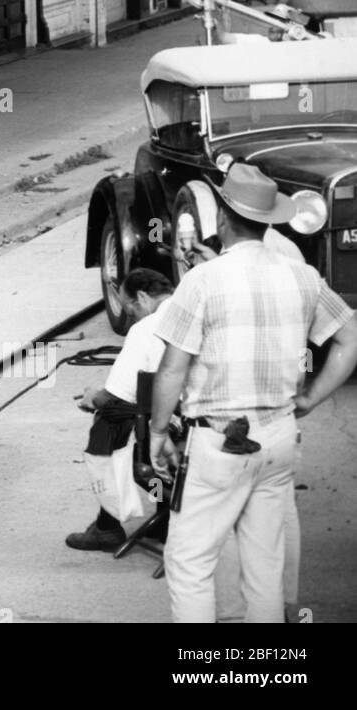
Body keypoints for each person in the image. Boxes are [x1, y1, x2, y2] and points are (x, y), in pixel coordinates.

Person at [150, 164, 357, 623]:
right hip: (280, 437)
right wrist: (310, 399)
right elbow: (351, 339)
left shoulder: (201, 280)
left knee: (189, 562)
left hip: (220, 441)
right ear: (269, 220)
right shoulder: (302, 276)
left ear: (222, 216)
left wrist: (158, 431)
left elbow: (171, 368)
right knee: (265, 568)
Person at [65, 268, 173, 553]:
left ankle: (108, 524)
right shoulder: (191, 307)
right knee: (132, 414)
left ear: (142, 297)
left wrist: (92, 397)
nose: (131, 319)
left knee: (110, 420)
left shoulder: (147, 327)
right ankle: (163, 514)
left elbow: (116, 395)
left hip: (172, 426)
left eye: (130, 310)